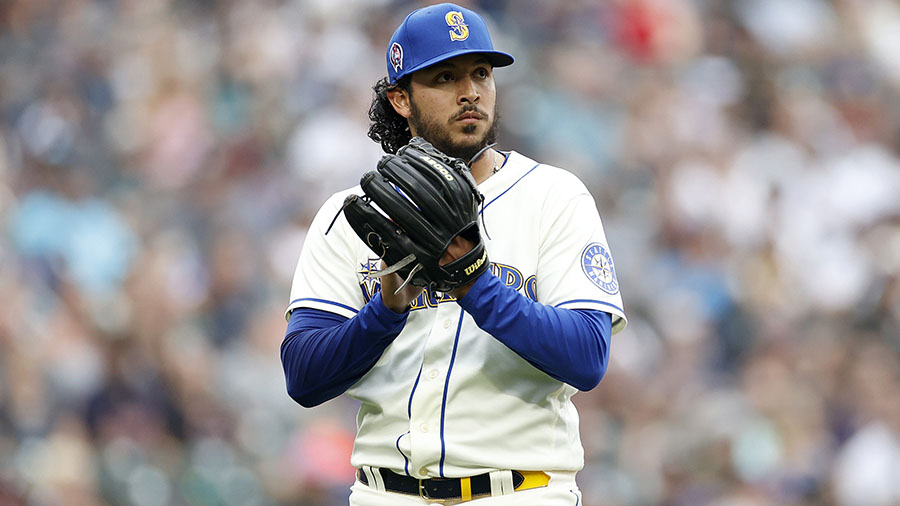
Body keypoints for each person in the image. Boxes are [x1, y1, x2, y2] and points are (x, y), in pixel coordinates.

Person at [281, 3, 627, 504]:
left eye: (481, 74)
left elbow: (588, 357)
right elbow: (303, 376)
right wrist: (385, 312)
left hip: (518, 492)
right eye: (445, 77)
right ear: (401, 99)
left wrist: (474, 285)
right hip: (387, 493)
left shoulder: (554, 197)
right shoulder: (352, 216)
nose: (470, 92)